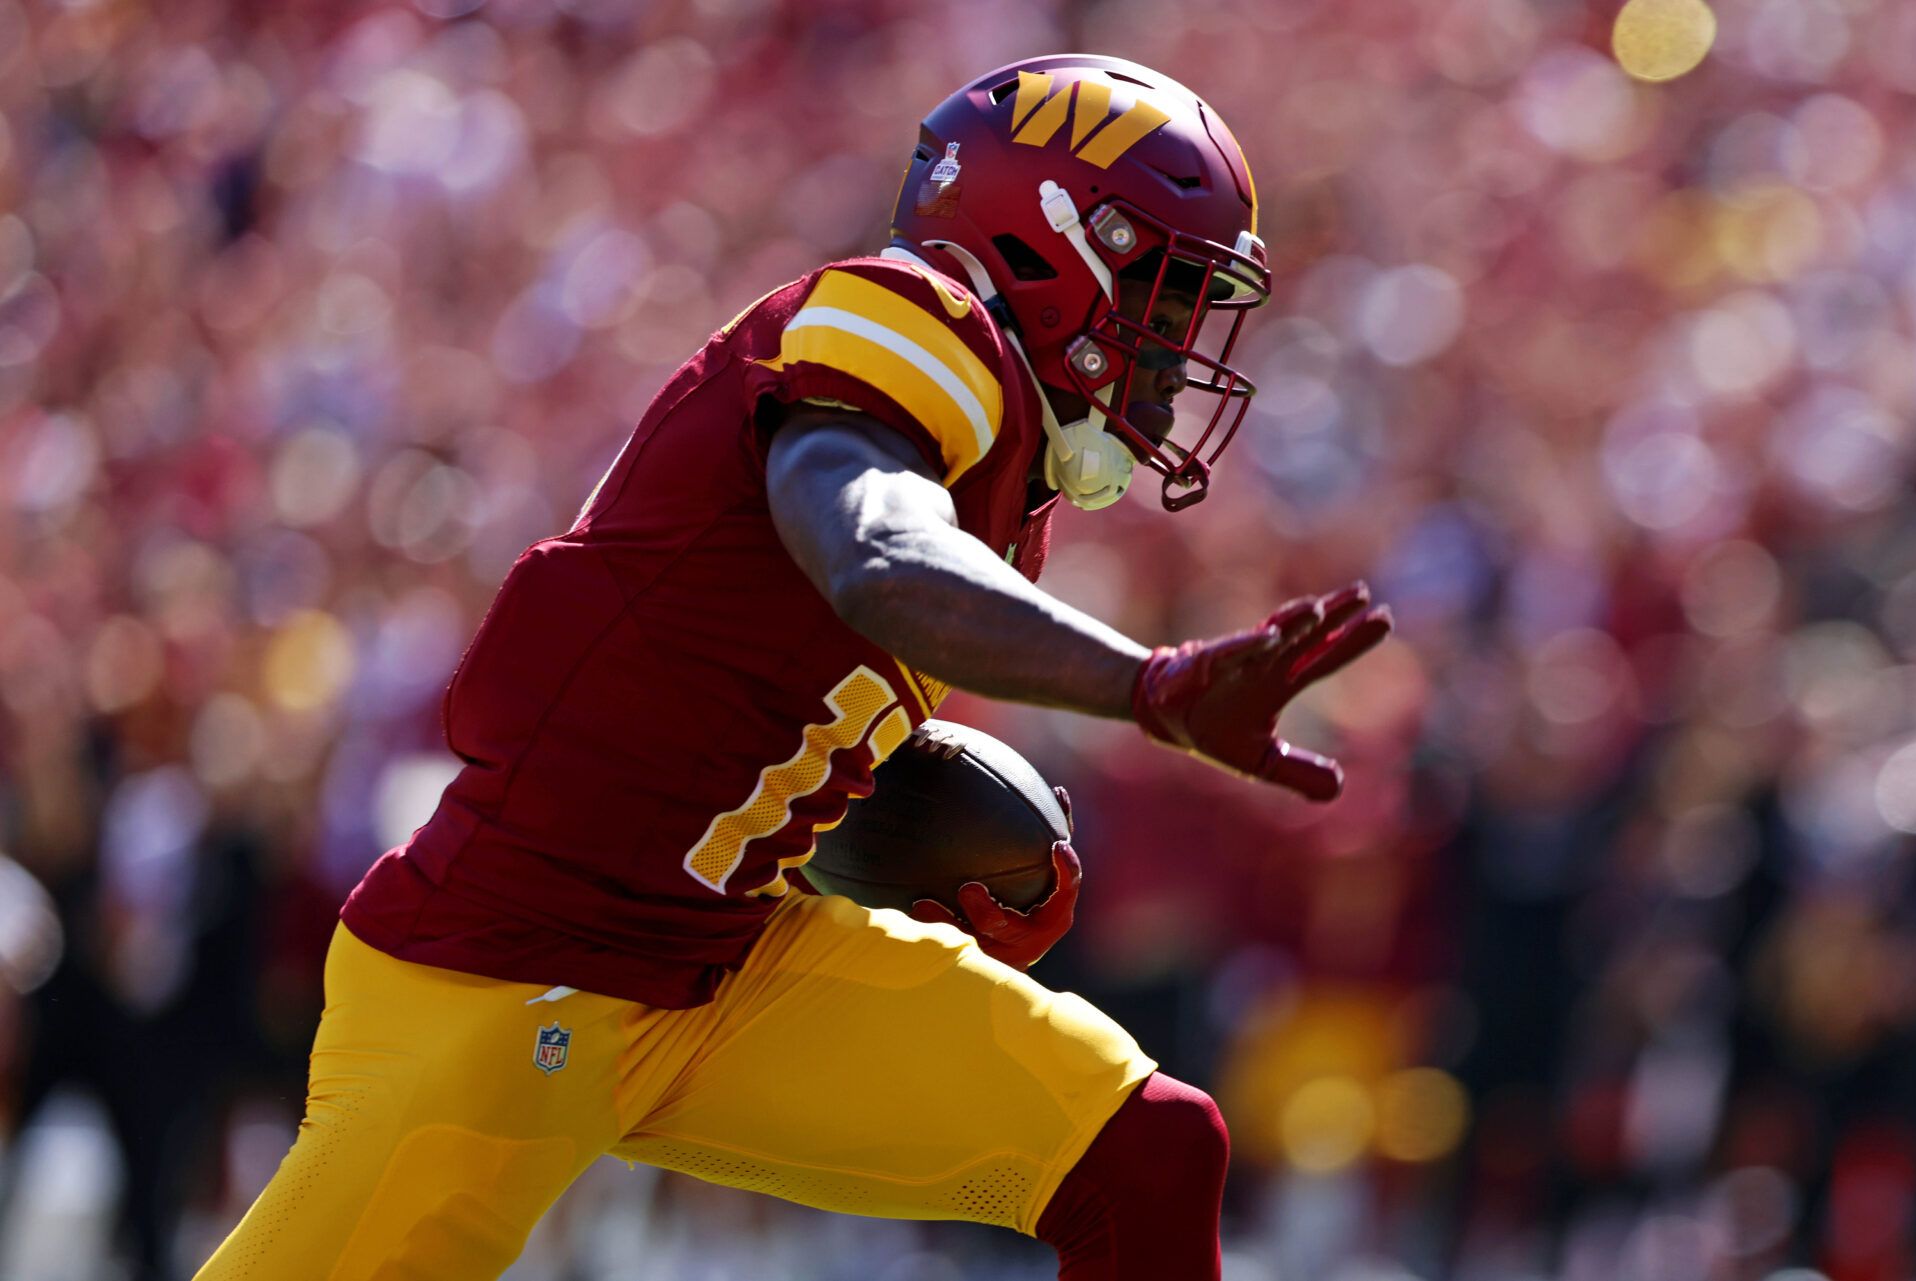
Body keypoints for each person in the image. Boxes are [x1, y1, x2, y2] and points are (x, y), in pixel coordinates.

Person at [194, 53, 1391, 1280]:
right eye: (1167, 290)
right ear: (1054, 246)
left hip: (720, 961)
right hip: (511, 972)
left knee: (1146, 1150)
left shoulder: (1004, 462)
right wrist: (1147, 687)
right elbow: (870, 552)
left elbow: (729, 698)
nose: (1178, 346)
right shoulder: (909, 317)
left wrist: (882, 821)